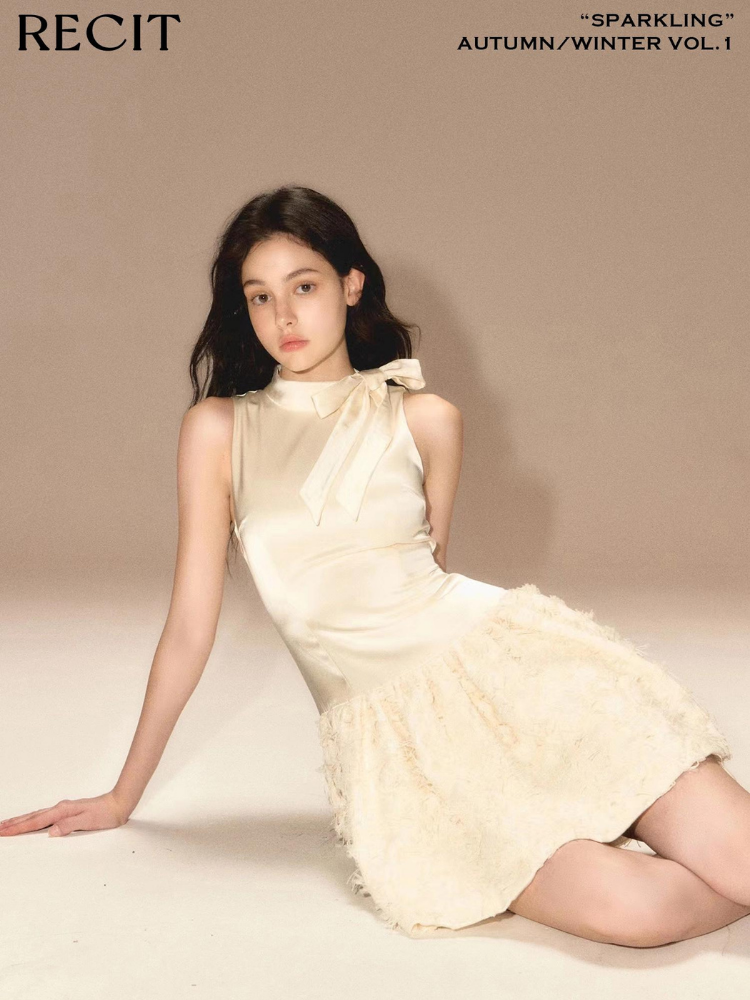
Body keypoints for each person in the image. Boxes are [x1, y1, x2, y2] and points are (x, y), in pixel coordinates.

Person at [3, 184, 749, 947]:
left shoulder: (426, 418)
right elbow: (190, 631)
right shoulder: (217, 431)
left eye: (304, 287)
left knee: (740, 857)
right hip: (406, 753)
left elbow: (429, 580)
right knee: (637, 915)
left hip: (519, 679)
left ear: (351, 284)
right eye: (260, 297)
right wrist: (122, 796)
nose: (283, 316)